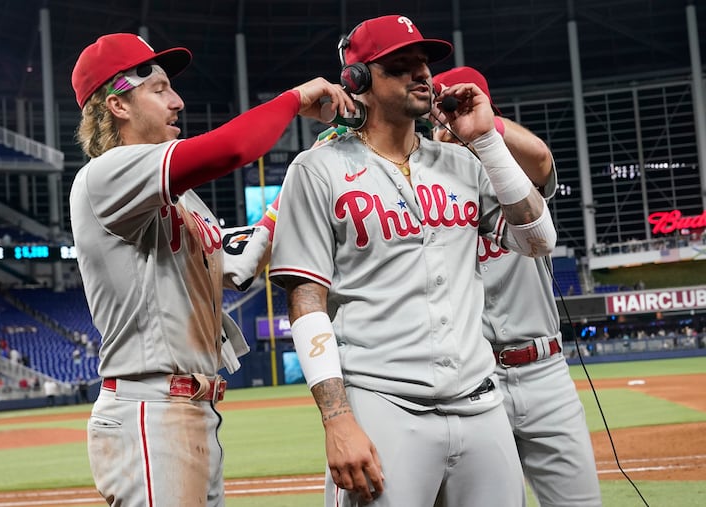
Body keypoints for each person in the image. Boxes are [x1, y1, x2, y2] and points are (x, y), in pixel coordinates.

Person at [269, 14, 557, 507]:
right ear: (357, 81)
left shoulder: (464, 162)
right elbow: (307, 300)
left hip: (481, 403)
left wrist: (485, 139)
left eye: (424, 63)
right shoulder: (317, 170)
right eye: (401, 66)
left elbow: (537, 240)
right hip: (382, 404)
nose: (421, 75)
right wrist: (337, 419)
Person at [69, 32, 353, 507]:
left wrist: (298, 179)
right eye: (158, 89)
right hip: (150, 408)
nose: (177, 101)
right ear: (117, 104)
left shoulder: (181, 197)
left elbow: (239, 268)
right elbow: (231, 150)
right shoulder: (107, 174)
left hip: (192, 410)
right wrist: (294, 98)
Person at [432, 66, 602, 506]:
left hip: (544, 371)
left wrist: (482, 127)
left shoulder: (513, 177)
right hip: (469, 381)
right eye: (439, 113)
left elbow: (542, 159)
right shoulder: (421, 190)